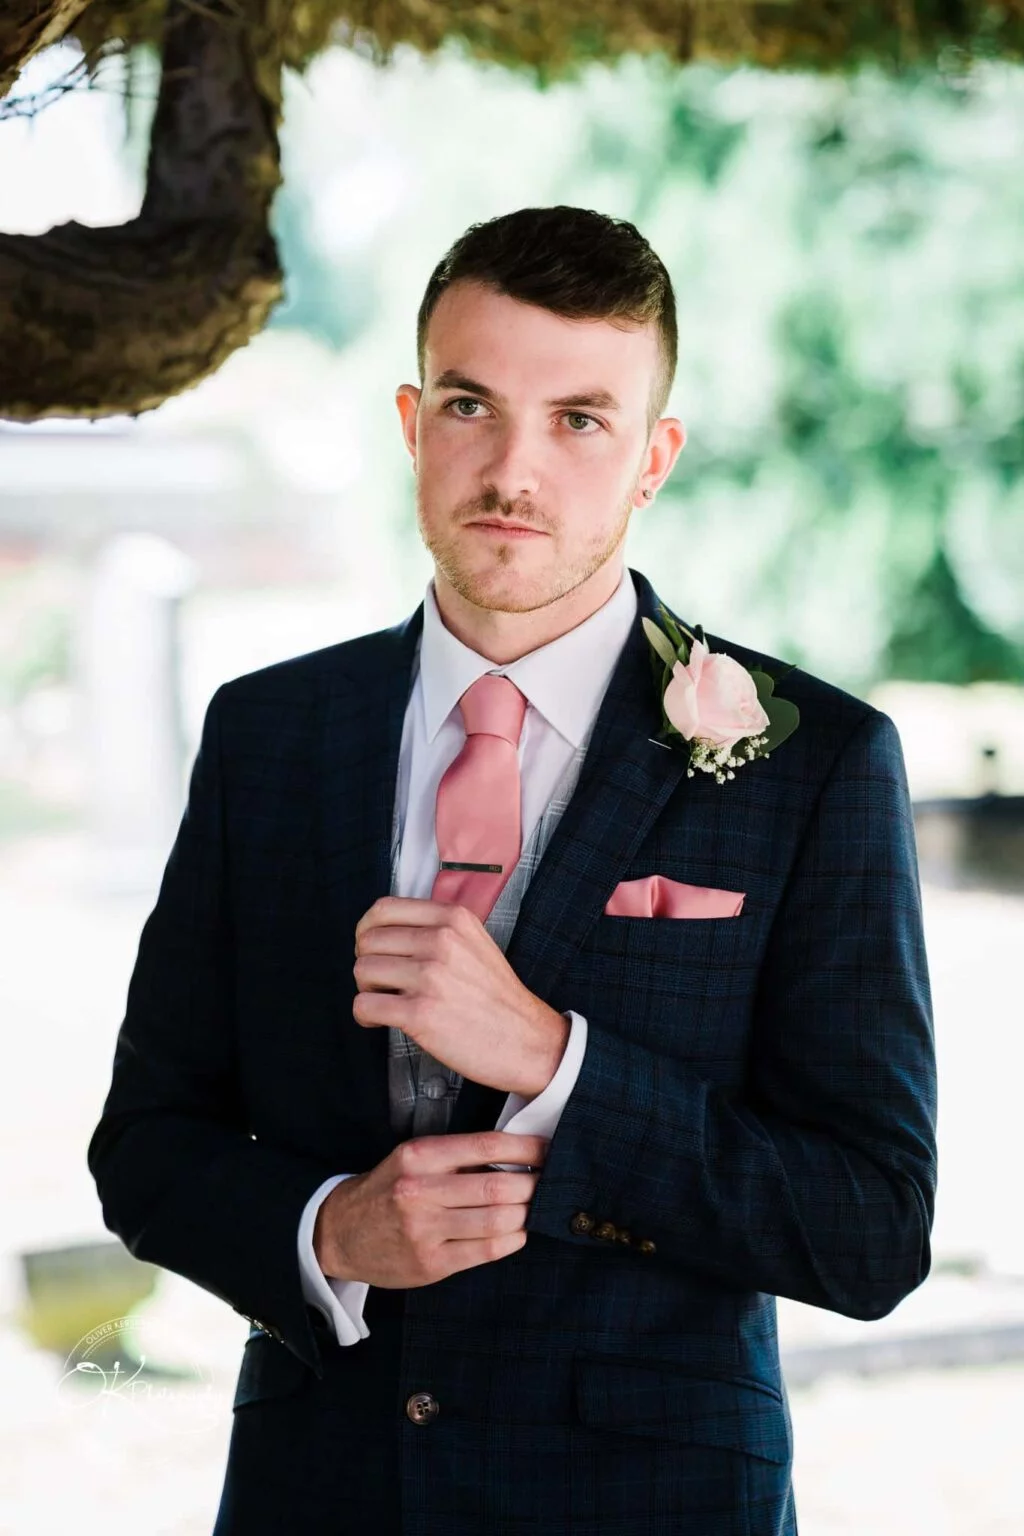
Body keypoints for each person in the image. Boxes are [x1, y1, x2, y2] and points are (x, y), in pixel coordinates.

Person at [87, 205, 938, 1535]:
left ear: (653, 458)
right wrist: (326, 1235)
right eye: (474, 406)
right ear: (413, 422)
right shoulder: (269, 734)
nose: (513, 471)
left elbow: (871, 1229)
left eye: (580, 419)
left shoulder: (815, 761)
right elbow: (147, 1144)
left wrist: (558, 1061)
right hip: (322, 1495)